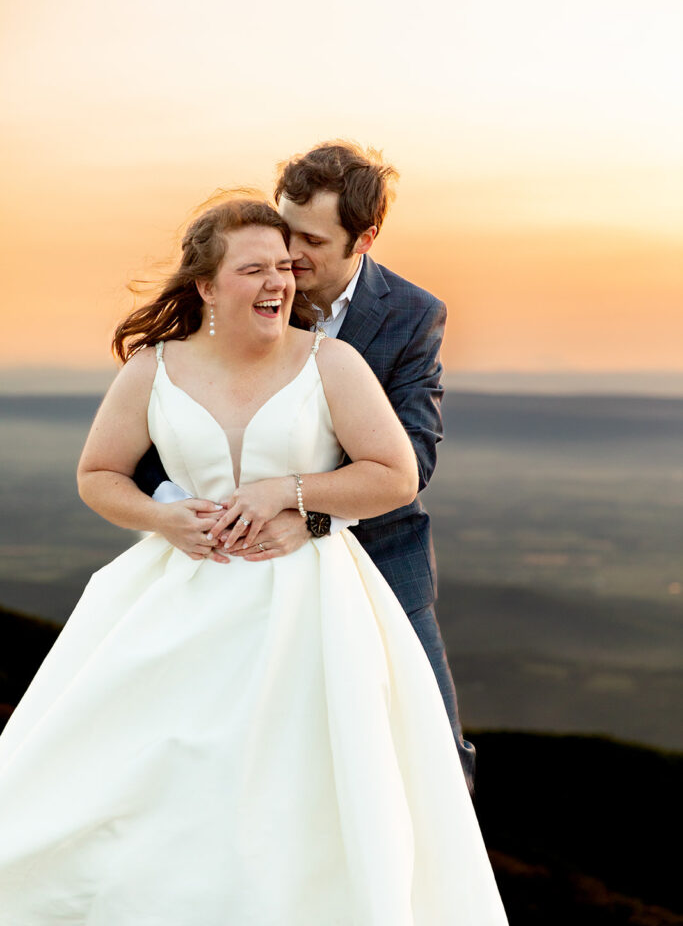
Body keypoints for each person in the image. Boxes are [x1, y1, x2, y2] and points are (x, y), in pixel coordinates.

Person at [0, 195, 507, 924]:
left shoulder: (330, 362)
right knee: (150, 775)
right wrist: (162, 519)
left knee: (298, 784)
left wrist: (291, 494)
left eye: (283, 268)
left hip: (309, 602)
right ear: (206, 285)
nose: (278, 283)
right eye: (253, 270)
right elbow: (98, 475)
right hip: (178, 592)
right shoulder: (152, 369)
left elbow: (393, 473)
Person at [135, 141, 477, 792]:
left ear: (365, 239)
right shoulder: (244, 285)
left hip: (380, 549)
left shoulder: (410, 315)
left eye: (310, 240)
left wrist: (309, 515)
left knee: (430, 751)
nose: (287, 254)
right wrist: (191, 513)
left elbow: (413, 456)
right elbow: (159, 431)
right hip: (232, 555)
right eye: (283, 226)